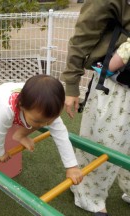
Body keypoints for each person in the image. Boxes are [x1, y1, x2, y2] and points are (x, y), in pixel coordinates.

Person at [61, 1, 130, 215]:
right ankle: (88, 194)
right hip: (117, 85)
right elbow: (83, 35)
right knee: (104, 144)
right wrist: (72, 85)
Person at [0, 75, 83, 185]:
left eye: (50, 119)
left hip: (23, 99)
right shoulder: (6, 110)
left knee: (39, 121)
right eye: (39, 121)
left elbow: (61, 136)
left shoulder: (47, 111)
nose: (45, 124)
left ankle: (20, 135)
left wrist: (72, 166)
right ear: (22, 107)